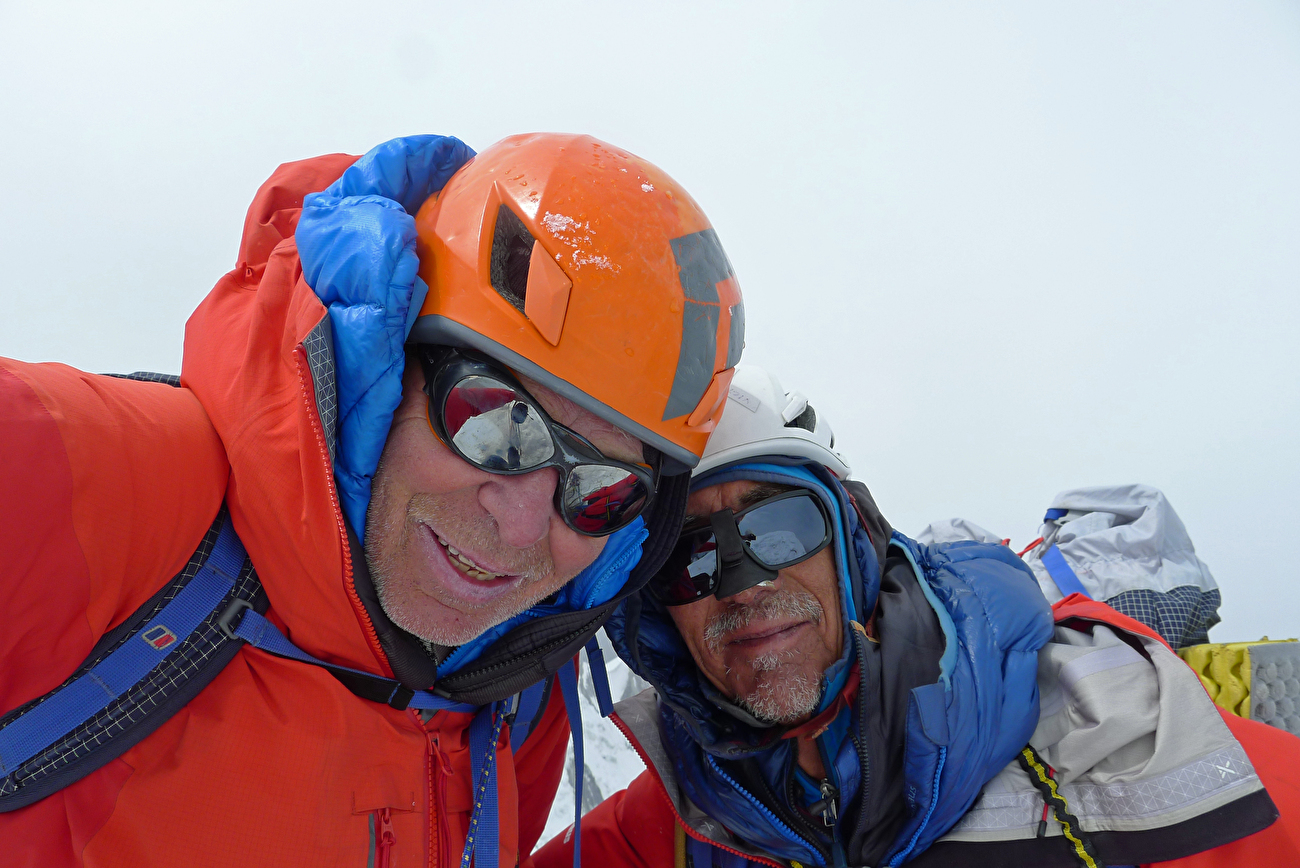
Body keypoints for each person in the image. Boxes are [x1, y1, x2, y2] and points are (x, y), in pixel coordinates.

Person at [0, 133, 744, 867]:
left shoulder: (517, 701)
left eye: (601, 491)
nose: (521, 525)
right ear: (386, 366)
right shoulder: (101, 480)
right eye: (493, 421)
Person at [535, 364, 1300, 868]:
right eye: (690, 559)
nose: (742, 585)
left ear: (853, 542)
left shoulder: (1118, 740)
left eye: (780, 529)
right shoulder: (683, 819)